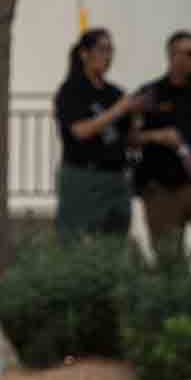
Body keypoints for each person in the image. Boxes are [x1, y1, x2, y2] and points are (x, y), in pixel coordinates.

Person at [52, 27, 145, 238]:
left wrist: (137, 118)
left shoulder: (115, 93)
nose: (108, 56)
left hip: (116, 177)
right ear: (84, 53)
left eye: (111, 50)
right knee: (74, 241)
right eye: (102, 49)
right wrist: (119, 110)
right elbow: (80, 131)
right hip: (83, 175)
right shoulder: (71, 90)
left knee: (115, 242)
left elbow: (130, 139)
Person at [132, 30, 191, 258]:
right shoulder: (150, 94)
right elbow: (129, 138)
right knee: (169, 260)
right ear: (173, 56)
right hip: (162, 189)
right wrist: (156, 136)